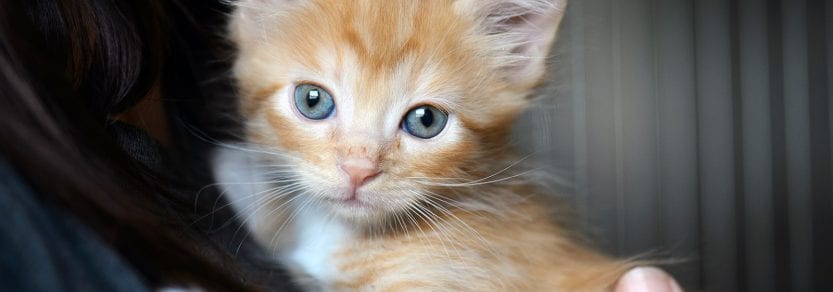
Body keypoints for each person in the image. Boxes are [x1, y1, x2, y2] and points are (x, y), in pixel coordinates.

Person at [0, 0, 679, 291]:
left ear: (516, 48)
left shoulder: (449, 250)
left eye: (421, 120)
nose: (358, 165)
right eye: (316, 103)